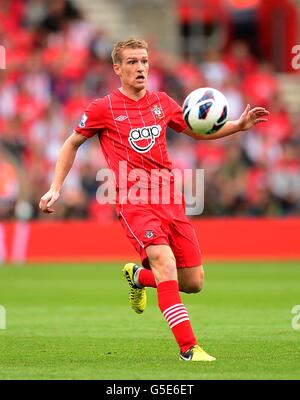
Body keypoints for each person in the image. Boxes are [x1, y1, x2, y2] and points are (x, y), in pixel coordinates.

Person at [39, 38, 269, 362]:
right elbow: (71, 144)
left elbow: (195, 130)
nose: (140, 68)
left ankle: (137, 277)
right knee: (165, 262)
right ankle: (189, 349)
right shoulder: (102, 108)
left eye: (144, 61)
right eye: (132, 62)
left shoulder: (162, 101)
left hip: (170, 199)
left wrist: (238, 127)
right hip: (134, 201)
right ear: (117, 68)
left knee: (193, 282)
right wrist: (55, 187)